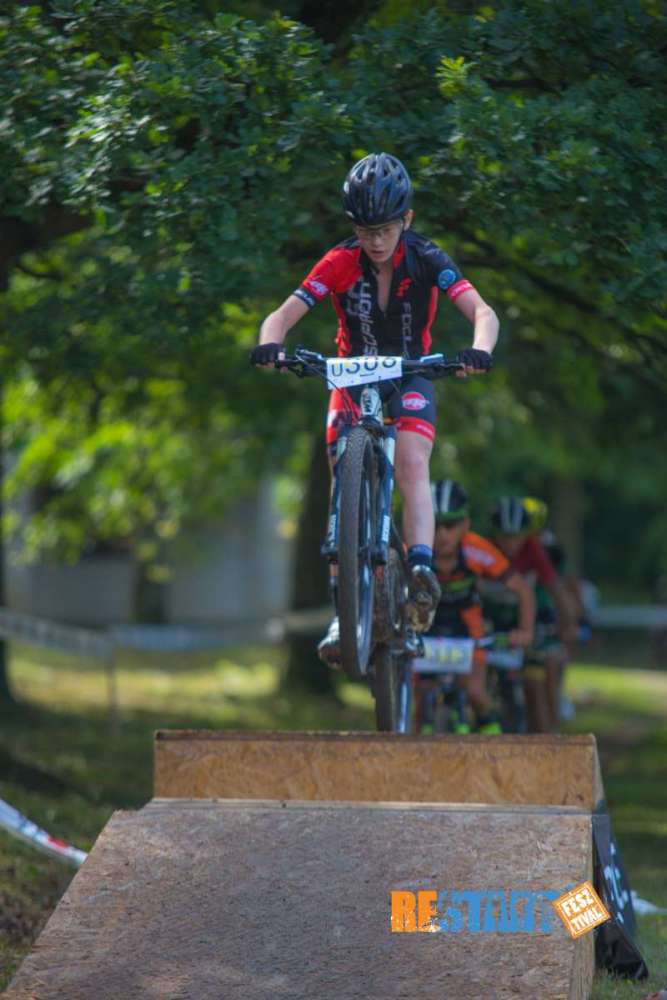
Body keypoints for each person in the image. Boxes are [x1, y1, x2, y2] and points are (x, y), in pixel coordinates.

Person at [250, 152, 499, 662]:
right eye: (365, 231)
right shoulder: (339, 261)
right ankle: (343, 611)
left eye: (384, 229)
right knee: (339, 470)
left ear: (406, 220)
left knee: (411, 461)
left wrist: (480, 350)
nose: (376, 241)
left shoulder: (427, 257)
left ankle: (422, 568)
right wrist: (270, 345)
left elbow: (482, 312)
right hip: (350, 374)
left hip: (411, 371)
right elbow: (282, 314)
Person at [421, 480, 536, 733]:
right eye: (435, 524)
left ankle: (495, 743)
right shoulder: (415, 550)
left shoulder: (476, 549)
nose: (442, 534)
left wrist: (525, 631)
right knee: (417, 697)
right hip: (426, 625)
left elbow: (523, 591)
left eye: (450, 525)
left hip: (468, 628)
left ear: (465, 524)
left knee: (475, 693)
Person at [488, 496, 579, 732]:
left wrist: (568, 626)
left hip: (528, 622)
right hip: (492, 620)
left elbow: (557, 590)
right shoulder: (484, 548)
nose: (511, 544)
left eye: (517, 536)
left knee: (540, 676)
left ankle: (550, 735)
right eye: (504, 536)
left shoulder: (533, 549)